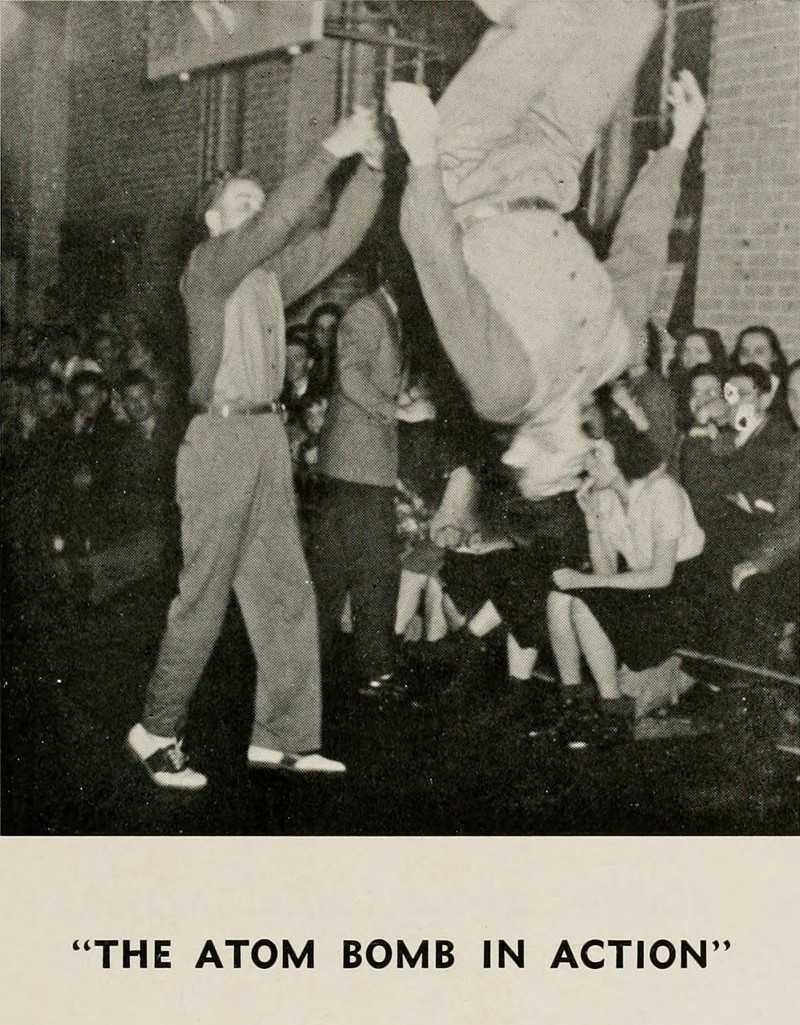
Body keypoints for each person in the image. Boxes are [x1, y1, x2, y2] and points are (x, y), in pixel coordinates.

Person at [127, 107, 385, 789]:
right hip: (219, 440)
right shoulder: (208, 266)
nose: (259, 209)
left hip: (267, 438)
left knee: (286, 594)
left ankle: (286, 739)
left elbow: (336, 242)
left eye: (258, 199)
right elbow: (275, 224)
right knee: (203, 599)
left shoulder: (268, 279)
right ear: (214, 221)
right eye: (243, 201)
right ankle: (156, 729)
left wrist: (372, 168)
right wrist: (331, 148)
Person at [387, 2, 706, 499]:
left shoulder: (505, 392)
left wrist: (423, 158)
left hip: (467, 168)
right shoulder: (610, 357)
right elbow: (639, 255)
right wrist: (678, 146)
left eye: (554, 482)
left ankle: (513, 15)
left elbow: (441, 270)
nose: (578, 479)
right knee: (634, 14)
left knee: (555, 16)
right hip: (551, 165)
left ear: (517, 457)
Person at [546, 414, 705, 746]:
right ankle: (575, 706)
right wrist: (591, 519)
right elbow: (605, 574)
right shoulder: (606, 497)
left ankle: (613, 710)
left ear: (623, 452)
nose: (588, 465)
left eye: (596, 454)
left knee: (584, 604)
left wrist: (585, 582)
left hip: (684, 594)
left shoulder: (662, 490)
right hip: (644, 589)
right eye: (585, 456)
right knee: (559, 599)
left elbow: (662, 575)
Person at [307, 280, 405, 701]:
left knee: (331, 575)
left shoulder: (388, 315)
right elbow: (350, 376)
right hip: (360, 468)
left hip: (352, 468)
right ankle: (376, 672)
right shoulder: (368, 313)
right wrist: (396, 410)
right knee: (375, 575)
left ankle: (305, 673)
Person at [732, 325, 791, 424]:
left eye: (759, 352)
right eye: (744, 353)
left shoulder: (788, 393)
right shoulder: (731, 389)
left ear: (774, 356)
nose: (751, 359)